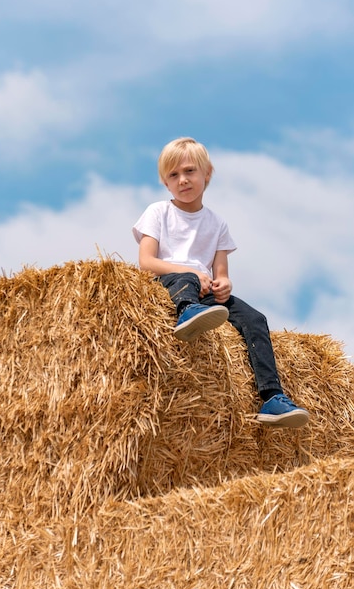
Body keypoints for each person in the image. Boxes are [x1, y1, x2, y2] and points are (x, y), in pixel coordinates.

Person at [132, 136, 309, 428]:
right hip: (167, 288)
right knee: (186, 275)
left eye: (189, 171)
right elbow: (147, 262)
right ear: (166, 183)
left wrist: (222, 284)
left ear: (207, 174)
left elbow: (222, 273)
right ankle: (186, 312)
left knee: (255, 318)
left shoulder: (216, 223)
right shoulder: (158, 212)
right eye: (173, 175)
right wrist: (192, 273)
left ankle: (272, 397)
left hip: (205, 293)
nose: (183, 180)